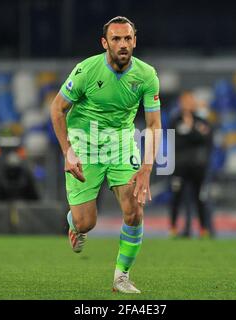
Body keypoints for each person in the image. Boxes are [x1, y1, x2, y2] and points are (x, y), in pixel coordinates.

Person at [50, 16, 161, 294]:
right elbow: (57, 109)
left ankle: (121, 277)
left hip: (121, 144)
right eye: (116, 39)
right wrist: (67, 151)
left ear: (134, 41)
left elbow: (153, 124)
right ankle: (74, 223)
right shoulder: (85, 71)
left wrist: (147, 167)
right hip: (84, 145)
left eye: (127, 38)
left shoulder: (147, 75)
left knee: (134, 211)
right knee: (87, 222)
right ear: (105, 43)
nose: (122, 44)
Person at [169, 91, 213, 238]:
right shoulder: (175, 120)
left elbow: (206, 139)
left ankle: (204, 229)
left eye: (190, 101)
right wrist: (194, 134)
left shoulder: (201, 120)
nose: (188, 104)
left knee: (200, 198)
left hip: (197, 167)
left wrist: (189, 131)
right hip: (180, 166)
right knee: (177, 197)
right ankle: (174, 228)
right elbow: (175, 141)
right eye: (185, 101)